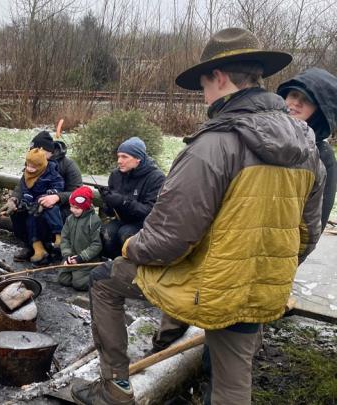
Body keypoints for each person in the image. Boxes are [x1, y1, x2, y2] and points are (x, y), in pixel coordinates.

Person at [71, 28, 324, 405]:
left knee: (104, 281)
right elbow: (309, 232)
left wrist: (128, 244)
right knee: (233, 383)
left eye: (204, 85)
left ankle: (115, 388)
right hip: (261, 287)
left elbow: (168, 239)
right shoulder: (306, 146)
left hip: (208, 285)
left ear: (219, 77)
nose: (204, 96)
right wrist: (266, 268)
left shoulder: (213, 146)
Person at [1, 130, 82, 261]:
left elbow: (77, 192)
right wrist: (13, 199)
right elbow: (23, 184)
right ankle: (31, 245)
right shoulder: (35, 161)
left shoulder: (68, 165)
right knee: (18, 212)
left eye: (34, 149)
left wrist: (57, 197)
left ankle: (55, 245)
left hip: (63, 208)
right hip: (35, 202)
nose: (32, 152)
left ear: (42, 149)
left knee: (44, 213)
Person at [277, 68, 337, 231]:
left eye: (307, 99)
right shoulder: (263, 137)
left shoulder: (323, 156)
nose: (296, 103)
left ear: (320, 110)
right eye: (294, 95)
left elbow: (315, 222)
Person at [97, 137, 165, 259]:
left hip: (145, 223)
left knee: (126, 234)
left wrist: (122, 202)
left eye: (124, 157)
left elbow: (150, 211)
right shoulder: (116, 175)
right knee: (107, 232)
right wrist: (107, 201)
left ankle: (130, 268)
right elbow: (110, 211)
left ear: (138, 158)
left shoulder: (156, 178)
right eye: (118, 156)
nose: (119, 161)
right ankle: (110, 263)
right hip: (123, 219)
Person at [18, 148, 64, 264]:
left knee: (52, 210)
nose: (30, 169)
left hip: (48, 200)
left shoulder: (50, 171)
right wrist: (25, 200)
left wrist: (52, 192)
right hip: (34, 204)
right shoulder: (26, 174)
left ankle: (59, 237)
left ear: (41, 165)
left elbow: (59, 184)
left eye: (33, 167)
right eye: (28, 165)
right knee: (30, 220)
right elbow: (24, 189)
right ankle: (38, 249)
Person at [58, 186, 102, 291]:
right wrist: (67, 255)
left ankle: (98, 275)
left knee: (79, 284)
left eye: (76, 208)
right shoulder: (70, 219)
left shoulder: (94, 221)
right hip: (72, 258)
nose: (72, 210)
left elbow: (96, 245)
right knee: (63, 279)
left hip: (86, 260)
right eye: (71, 206)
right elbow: (64, 238)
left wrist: (81, 258)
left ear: (86, 207)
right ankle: (76, 272)